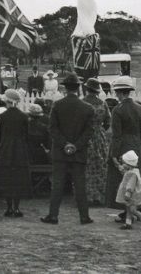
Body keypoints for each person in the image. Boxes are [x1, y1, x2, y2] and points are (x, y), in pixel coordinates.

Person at [41, 74, 95, 225]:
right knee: (80, 185)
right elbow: (89, 131)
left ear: (65, 88)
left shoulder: (57, 105)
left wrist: (65, 144)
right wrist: (76, 145)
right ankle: (84, 216)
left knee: (57, 185)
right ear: (78, 88)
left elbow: (52, 129)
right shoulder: (87, 108)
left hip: (60, 151)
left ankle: (53, 215)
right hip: (79, 152)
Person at [106, 76, 141, 214]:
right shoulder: (140, 108)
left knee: (123, 180)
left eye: (117, 92)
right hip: (137, 145)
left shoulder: (117, 110)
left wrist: (114, 154)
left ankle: (126, 210)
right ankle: (137, 208)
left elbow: (116, 135)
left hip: (123, 146)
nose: (116, 95)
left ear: (121, 92)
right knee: (136, 178)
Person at [0, 89, 31, 217]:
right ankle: (17, 208)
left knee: (7, 178)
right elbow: (27, 135)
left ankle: (9, 208)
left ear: (7, 101)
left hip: (6, 150)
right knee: (18, 179)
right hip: (20, 150)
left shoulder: (3, 116)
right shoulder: (23, 116)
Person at [80, 78, 112, 206]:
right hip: (100, 136)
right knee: (101, 165)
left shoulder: (82, 103)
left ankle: (87, 196)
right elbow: (108, 122)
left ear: (87, 89)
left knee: (86, 166)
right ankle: (99, 196)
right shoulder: (103, 104)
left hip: (85, 136)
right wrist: (99, 129)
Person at [115, 150, 141, 230]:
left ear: (129, 164)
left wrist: (128, 193)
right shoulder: (131, 171)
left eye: (124, 163)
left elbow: (131, 184)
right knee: (128, 209)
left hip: (133, 195)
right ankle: (128, 223)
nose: (122, 165)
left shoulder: (133, 174)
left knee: (132, 210)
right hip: (132, 196)